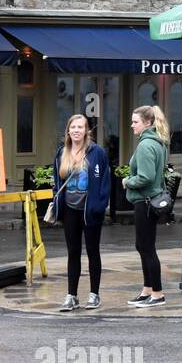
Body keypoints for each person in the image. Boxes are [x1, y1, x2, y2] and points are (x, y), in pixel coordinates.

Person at [53, 114, 111, 311]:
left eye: (80, 127)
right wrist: (57, 201)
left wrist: (99, 206)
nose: (77, 130)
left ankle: (94, 294)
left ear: (87, 131)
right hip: (70, 210)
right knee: (73, 253)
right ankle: (72, 295)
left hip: (90, 210)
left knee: (93, 252)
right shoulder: (62, 152)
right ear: (68, 130)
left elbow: (105, 182)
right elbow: (57, 181)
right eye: (73, 127)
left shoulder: (97, 153)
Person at [122, 105, 169, 307]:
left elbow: (146, 177)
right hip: (152, 201)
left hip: (146, 201)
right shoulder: (158, 143)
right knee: (143, 246)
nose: (132, 125)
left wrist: (127, 182)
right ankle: (147, 290)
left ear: (147, 123)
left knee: (146, 248)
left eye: (135, 122)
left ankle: (157, 294)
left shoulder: (145, 145)